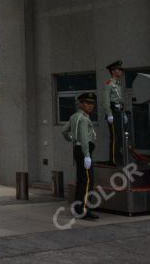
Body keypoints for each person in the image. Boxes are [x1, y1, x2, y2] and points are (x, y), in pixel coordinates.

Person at [62, 92, 99, 220]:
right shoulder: (83, 119)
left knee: (82, 181)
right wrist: (87, 155)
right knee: (88, 181)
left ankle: (78, 208)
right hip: (84, 150)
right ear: (81, 104)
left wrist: (72, 138)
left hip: (78, 149)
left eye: (92, 104)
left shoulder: (74, 116)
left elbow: (64, 131)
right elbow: (84, 138)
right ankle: (84, 210)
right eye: (87, 103)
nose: (90, 106)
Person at [101, 60, 125, 165]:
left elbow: (120, 100)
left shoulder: (118, 84)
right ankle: (114, 159)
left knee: (119, 136)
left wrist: (122, 113)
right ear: (113, 71)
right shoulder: (109, 84)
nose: (120, 71)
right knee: (115, 136)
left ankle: (118, 157)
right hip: (113, 112)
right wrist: (109, 114)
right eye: (118, 69)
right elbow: (106, 100)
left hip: (119, 111)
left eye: (120, 69)